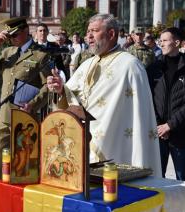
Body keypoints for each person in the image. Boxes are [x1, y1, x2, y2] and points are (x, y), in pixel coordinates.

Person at [46, 14, 161, 174]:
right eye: (87, 32)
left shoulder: (130, 66)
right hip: (81, 140)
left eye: (94, 31)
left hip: (114, 142)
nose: (89, 36)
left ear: (111, 34)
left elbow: (138, 114)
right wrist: (60, 90)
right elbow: (73, 95)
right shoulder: (87, 63)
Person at [0, 17, 51, 179]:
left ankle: (23, 193)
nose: (12, 39)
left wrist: (33, 104)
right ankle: (1, 187)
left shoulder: (40, 55)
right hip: (4, 115)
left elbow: (48, 85)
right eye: (9, 36)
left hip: (25, 117)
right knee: (0, 156)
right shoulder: (8, 52)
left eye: (14, 35)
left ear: (25, 32)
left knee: (23, 163)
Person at [153, 27, 185, 181]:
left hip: (180, 134)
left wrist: (170, 125)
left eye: (165, 40)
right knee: (157, 178)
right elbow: (148, 100)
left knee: (182, 178)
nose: (162, 44)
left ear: (177, 42)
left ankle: (182, 206)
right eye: (161, 41)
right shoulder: (154, 68)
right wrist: (160, 126)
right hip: (157, 134)